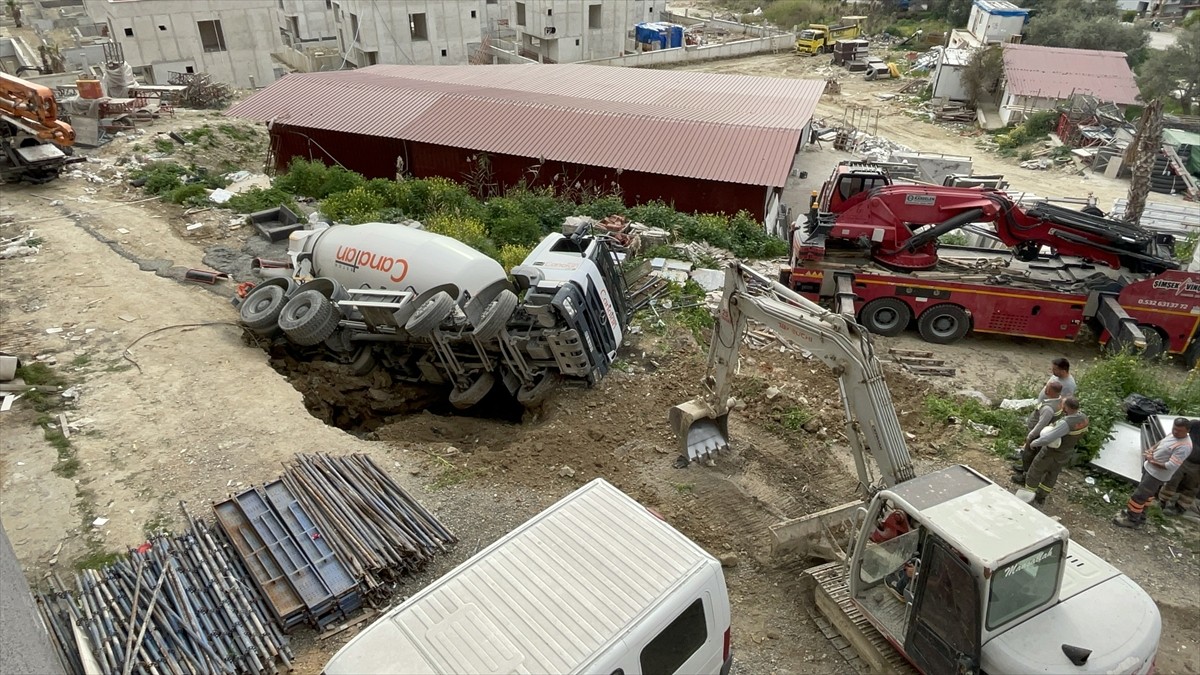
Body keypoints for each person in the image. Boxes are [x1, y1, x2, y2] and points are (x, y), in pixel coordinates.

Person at [1114, 418, 1194, 528]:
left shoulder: (1184, 446)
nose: (1175, 432)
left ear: (1187, 431)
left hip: (1156, 475)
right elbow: (1162, 442)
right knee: (1147, 496)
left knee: (1139, 496)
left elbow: (1171, 466)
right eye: (1174, 429)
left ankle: (1131, 519)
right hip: (1149, 468)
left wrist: (1152, 461)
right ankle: (1139, 515)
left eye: (1179, 431)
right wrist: (1152, 449)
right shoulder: (1174, 434)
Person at [1020, 396, 1088, 506]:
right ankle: (1041, 496)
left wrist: (1034, 443)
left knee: (1035, 471)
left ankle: (1028, 495)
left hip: (1051, 453)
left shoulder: (1066, 423)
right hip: (1066, 453)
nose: (1061, 407)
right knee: (1052, 475)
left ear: (1067, 407)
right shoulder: (1083, 418)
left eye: (1063, 405)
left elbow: (1048, 438)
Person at [1013, 381, 1063, 483]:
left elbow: (1041, 424)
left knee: (1029, 455)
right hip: (1041, 434)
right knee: (1029, 455)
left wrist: (1031, 436)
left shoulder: (1048, 408)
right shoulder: (1058, 401)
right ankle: (1024, 469)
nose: (1045, 389)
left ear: (1050, 391)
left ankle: (1025, 476)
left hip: (1037, 435)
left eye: (1046, 388)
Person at [1158, 420, 1200, 517]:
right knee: (1172, 480)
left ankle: (1181, 507)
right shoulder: (1195, 424)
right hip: (1183, 459)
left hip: (1198, 466)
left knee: (1191, 487)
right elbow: (1178, 434)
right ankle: (1163, 501)